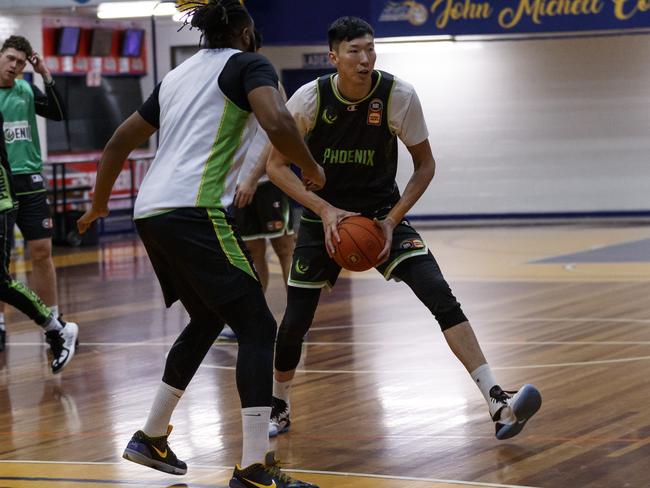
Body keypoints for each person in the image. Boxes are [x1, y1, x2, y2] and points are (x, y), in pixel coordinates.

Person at [77, 1, 323, 486]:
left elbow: (117, 144)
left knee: (210, 318)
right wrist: (311, 167)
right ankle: (255, 468)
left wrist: (100, 204)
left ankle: (150, 436)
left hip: (150, 211)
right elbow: (278, 123)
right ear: (246, 31)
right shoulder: (251, 64)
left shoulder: (176, 76)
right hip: (193, 209)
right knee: (257, 327)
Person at [265, 16, 542, 440]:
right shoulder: (309, 99)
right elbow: (275, 166)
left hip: (380, 216)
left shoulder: (398, 95)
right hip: (323, 218)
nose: (364, 59)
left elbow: (425, 165)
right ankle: (279, 406)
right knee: (295, 321)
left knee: (439, 294)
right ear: (333, 57)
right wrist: (323, 210)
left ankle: (497, 401)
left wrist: (392, 220)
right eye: (354, 51)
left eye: (370, 49)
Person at [219, 30, 295, 341]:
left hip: (267, 181)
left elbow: (276, 132)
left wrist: (252, 176)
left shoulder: (265, 79)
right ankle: (255, 319)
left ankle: (296, 318)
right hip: (237, 186)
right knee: (252, 253)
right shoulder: (225, 79)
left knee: (284, 247)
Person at [0, 35, 65, 352]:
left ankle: (55, 320)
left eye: (21, 62)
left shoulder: (26, 89)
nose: (14, 66)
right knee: (3, 262)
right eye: (10, 58)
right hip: (2, 184)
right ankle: (0, 325)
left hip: (30, 182)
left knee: (41, 251)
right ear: (1, 56)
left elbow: (59, 113)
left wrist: (44, 74)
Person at [0, 109, 78, 370]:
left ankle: (56, 328)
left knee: (1, 281)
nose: (15, 65)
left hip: (2, 201)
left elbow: (56, 109)